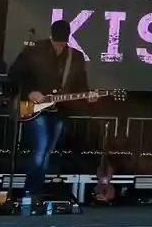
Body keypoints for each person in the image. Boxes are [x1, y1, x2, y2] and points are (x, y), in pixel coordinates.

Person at [8, 20, 93, 200]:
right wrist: (30, 92)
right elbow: (14, 73)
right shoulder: (35, 50)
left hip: (58, 111)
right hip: (33, 108)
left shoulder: (75, 56)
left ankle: (32, 193)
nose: (59, 47)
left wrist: (88, 95)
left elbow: (81, 85)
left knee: (45, 154)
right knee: (40, 148)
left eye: (61, 43)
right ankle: (29, 194)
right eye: (56, 43)